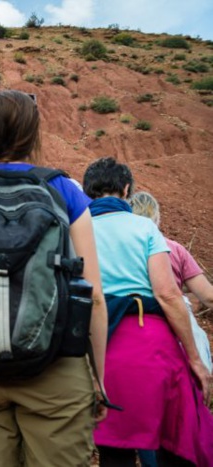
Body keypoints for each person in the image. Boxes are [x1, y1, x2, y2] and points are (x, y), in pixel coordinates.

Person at [0, 90, 108, 466]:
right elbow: (93, 298)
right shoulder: (65, 193)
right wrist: (98, 379)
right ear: (34, 133)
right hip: (56, 370)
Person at [83, 158, 213, 466]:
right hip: (149, 342)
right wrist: (195, 359)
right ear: (126, 189)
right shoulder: (144, 228)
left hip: (98, 349)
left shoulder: (77, 230)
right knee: (172, 441)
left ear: (89, 191)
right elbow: (168, 294)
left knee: (115, 450)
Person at [130, 191, 212, 372]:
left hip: (130, 317)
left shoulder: (123, 248)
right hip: (172, 322)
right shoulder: (175, 249)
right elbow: (208, 296)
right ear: (157, 218)